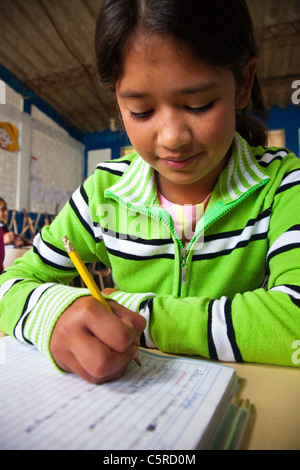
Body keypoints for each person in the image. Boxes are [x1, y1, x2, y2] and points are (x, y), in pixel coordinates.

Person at [0, 0, 299, 384]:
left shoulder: (283, 184)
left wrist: (134, 313)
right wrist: (53, 315)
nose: (173, 138)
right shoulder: (103, 194)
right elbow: (9, 284)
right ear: (118, 103)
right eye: (141, 111)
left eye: (199, 104)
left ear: (243, 83)